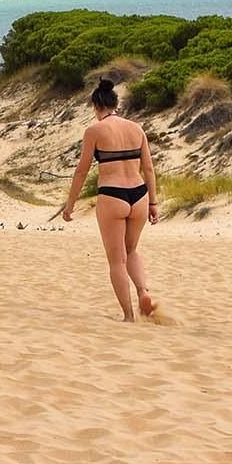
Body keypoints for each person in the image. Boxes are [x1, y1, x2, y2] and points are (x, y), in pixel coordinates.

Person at [60, 78, 158, 321]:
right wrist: (153, 202)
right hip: (139, 195)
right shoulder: (137, 128)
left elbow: (82, 171)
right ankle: (143, 291)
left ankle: (128, 316)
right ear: (115, 103)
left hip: (113, 195)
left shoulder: (94, 131)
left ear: (96, 106)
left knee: (116, 260)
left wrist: (70, 204)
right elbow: (149, 168)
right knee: (131, 249)